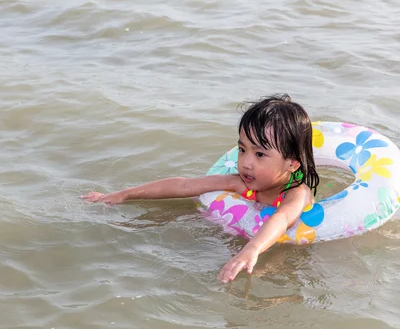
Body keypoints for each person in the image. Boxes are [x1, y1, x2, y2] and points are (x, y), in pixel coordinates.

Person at [82, 94, 320, 283]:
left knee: (264, 272)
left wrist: (252, 249)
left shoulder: (296, 193)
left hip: (289, 245)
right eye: (242, 149)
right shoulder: (239, 181)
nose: (246, 162)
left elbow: (281, 218)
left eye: (259, 154)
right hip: (243, 232)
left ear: (292, 162)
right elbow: (185, 185)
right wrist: (124, 194)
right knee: (174, 218)